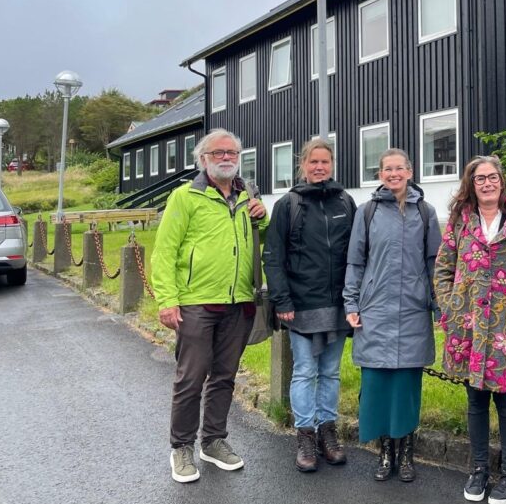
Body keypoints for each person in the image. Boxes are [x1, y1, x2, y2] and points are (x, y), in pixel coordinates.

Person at [152, 128, 268, 484]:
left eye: (232, 152)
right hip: (196, 301)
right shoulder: (185, 197)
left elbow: (260, 238)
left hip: (239, 301)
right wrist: (167, 300)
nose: (227, 158)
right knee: (191, 377)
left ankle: (213, 441)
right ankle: (181, 447)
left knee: (224, 376)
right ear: (203, 159)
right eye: (219, 152)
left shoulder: (247, 194)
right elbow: (164, 251)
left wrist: (262, 218)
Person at [434, 156, 506, 504]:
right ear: (471, 184)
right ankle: (479, 468)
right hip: (468, 323)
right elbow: (443, 268)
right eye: (480, 178)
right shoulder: (460, 221)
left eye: (492, 177)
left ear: (502, 181)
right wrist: (450, 307)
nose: (487, 183)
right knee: (475, 398)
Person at [343, 148, 441, 482]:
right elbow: (355, 261)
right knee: (378, 385)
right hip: (375, 310)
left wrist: (439, 306)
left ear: (410, 172)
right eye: (387, 169)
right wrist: (351, 304)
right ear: (380, 174)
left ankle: (407, 453)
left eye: (399, 168)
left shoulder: (425, 212)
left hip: (413, 310)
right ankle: (385, 452)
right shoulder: (366, 212)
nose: (394, 174)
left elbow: (434, 264)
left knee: (406, 388)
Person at [263, 137, 356, 472]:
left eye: (325, 162)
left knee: (330, 372)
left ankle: (327, 432)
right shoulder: (288, 204)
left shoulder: (346, 202)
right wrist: (282, 300)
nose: (319, 167)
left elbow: (357, 254)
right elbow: (273, 256)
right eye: (313, 162)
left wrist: (355, 300)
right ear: (303, 165)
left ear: (332, 165)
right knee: (304, 371)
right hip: (300, 305)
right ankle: (305, 435)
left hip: (337, 304)